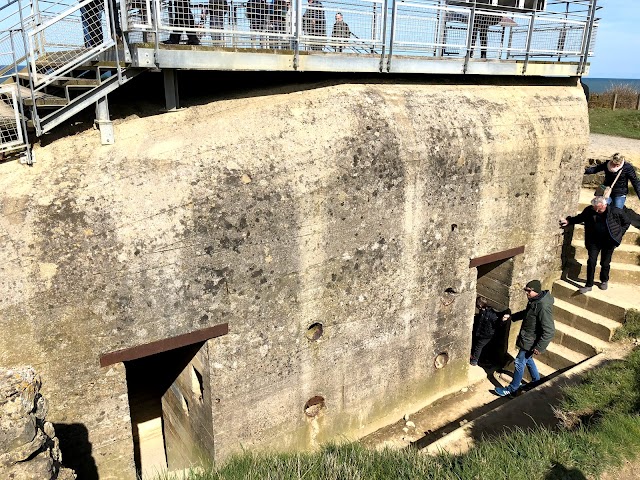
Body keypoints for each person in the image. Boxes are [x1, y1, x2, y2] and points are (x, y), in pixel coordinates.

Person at [495, 280, 555, 397]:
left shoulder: (542, 306)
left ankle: (512, 389)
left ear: (536, 291)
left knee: (519, 361)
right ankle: (535, 381)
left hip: (531, 341)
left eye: (529, 291)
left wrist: (540, 347)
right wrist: (512, 317)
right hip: (528, 338)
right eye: (526, 290)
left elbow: (550, 330)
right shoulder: (534, 301)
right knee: (528, 359)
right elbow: (527, 313)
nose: (526, 293)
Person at [560, 196, 630, 293]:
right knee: (591, 261)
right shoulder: (590, 210)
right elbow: (580, 218)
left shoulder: (615, 211)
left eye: (599, 208)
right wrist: (569, 221)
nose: (596, 210)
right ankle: (589, 285)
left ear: (604, 205)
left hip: (609, 241)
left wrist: (619, 233)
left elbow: (627, 222)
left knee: (605, 262)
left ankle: (604, 280)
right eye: (595, 208)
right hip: (594, 241)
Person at [470, 296, 510, 366]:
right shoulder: (483, 311)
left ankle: (474, 361)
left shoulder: (491, 314)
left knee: (478, 347)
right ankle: (482, 359)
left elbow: (497, 323)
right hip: (481, 333)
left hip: (486, 334)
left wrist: (503, 321)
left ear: (480, 305)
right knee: (481, 347)